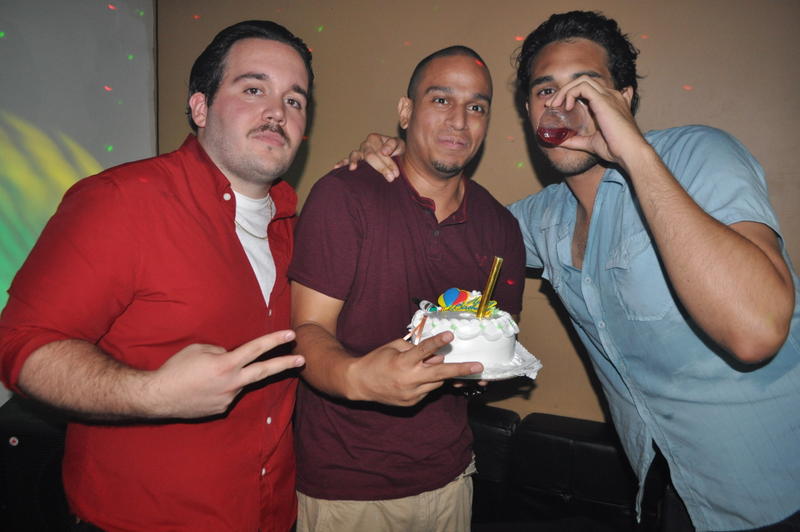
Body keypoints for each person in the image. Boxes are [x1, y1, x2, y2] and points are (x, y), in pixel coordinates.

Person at [343, 11, 800, 532]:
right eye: (546, 91)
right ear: (529, 112)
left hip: (779, 488)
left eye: (585, 90)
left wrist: (632, 149)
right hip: (666, 494)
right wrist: (395, 160)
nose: (561, 106)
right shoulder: (540, 219)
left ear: (623, 98)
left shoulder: (699, 155)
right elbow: (452, 221)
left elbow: (756, 333)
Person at [0, 20, 313, 532]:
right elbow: (21, 345)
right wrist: (153, 394)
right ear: (200, 107)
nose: (277, 111)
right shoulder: (121, 202)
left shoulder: (300, 228)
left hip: (272, 515)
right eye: (253, 89)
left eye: (294, 100)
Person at [288, 46, 525, 532]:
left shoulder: (501, 227)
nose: (459, 121)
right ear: (405, 111)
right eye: (441, 100)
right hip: (346, 487)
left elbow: (498, 338)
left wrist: (474, 373)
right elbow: (305, 332)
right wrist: (360, 377)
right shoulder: (345, 195)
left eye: (476, 107)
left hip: (450, 477)